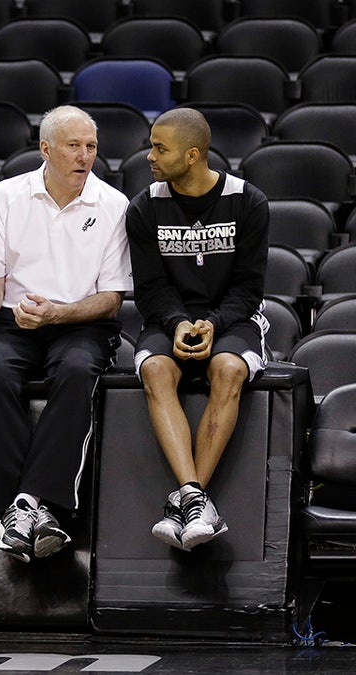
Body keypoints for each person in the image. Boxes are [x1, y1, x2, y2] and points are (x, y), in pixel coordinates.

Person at [0, 105, 132, 563]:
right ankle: (28, 511)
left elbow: (112, 298)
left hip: (81, 322)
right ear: (46, 149)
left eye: (91, 147)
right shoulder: (6, 196)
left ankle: (29, 505)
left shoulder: (113, 205)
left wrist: (58, 314)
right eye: (73, 146)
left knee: (77, 371)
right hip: (13, 320)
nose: (84, 156)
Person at [125, 107, 269, 551]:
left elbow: (248, 288)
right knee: (155, 371)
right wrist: (178, 323)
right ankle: (195, 499)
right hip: (168, 316)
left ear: (191, 155)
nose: (149, 155)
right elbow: (149, 289)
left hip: (234, 317)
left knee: (227, 367)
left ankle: (187, 500)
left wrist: (212, 323)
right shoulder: (145, 206)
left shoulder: (248, 201)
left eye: (159, 147)